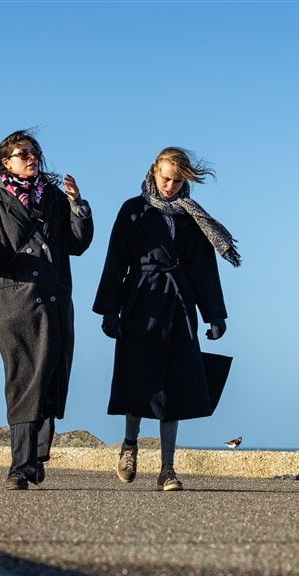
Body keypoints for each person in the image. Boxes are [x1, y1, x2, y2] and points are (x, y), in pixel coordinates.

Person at [93, 147, 239, 491]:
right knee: (137, 380)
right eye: (165, 178)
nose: (170, 186)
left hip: (180, 305)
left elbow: (203, 268)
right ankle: (130, 445)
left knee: (174, 386)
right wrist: (110, 310)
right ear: (153, 172)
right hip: (141, 301)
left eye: (177, 180)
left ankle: (167, 469)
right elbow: (116, 260)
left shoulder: (193, 216)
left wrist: (214, 314)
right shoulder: (133, 210)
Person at [0, 129, 94, 490]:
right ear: (5, 162)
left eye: (33, 152)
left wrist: (77, 205)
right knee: (23, 379)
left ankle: (38, 453)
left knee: (51, 376)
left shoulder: (55, 197)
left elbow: (77, 244)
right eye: (22, 154)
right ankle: (20, 466)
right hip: (15, 300)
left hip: (54, 298)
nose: (30, 158)